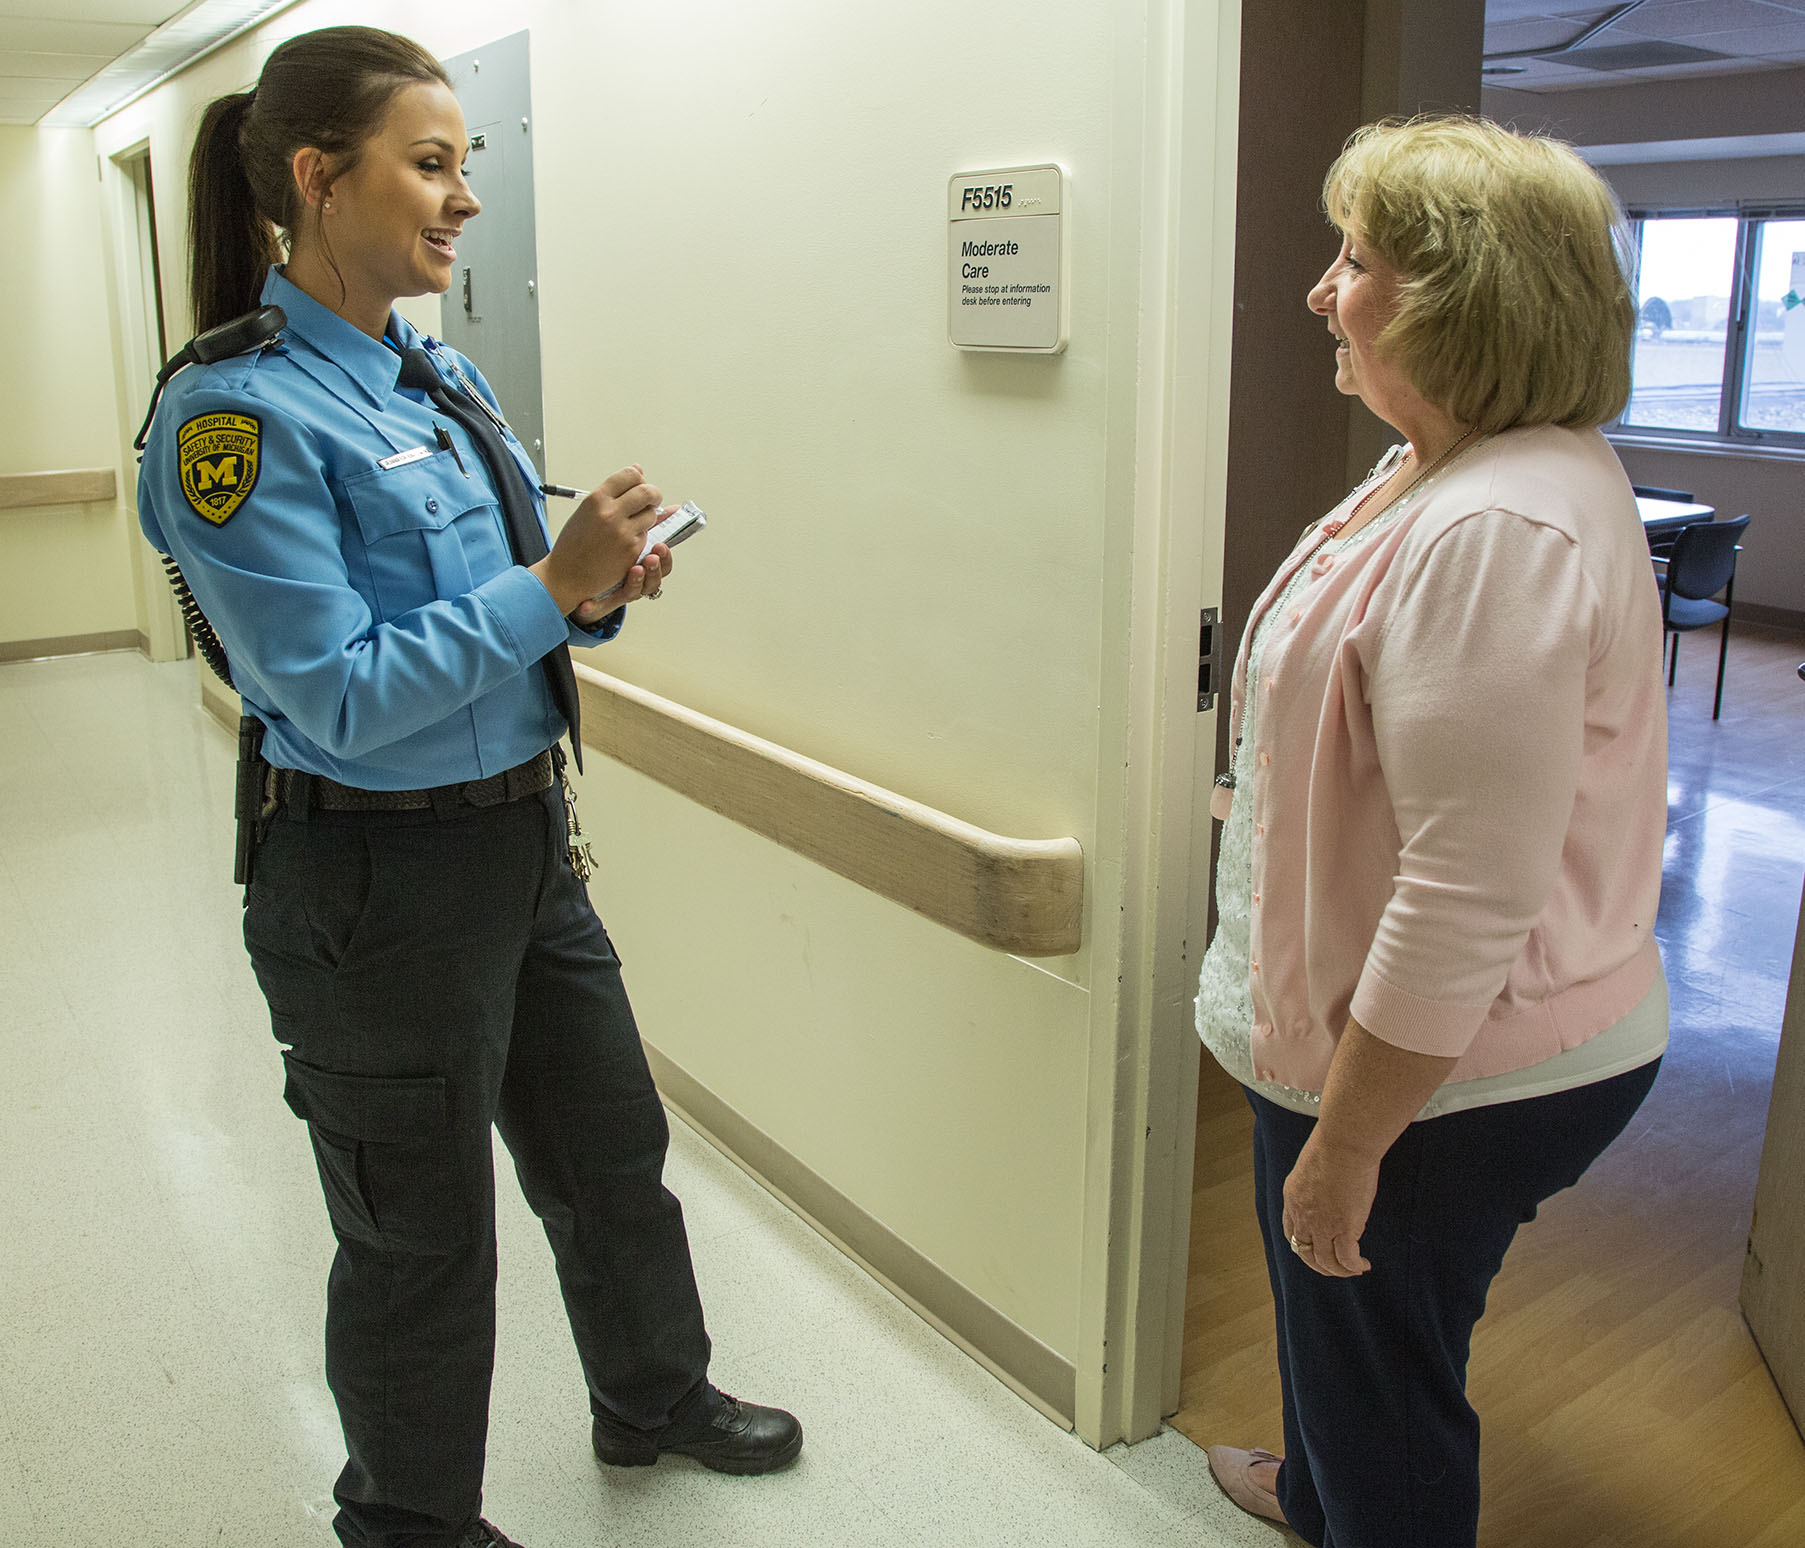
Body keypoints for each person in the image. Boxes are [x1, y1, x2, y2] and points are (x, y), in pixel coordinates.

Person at [137, 27, 799, 1548]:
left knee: (612, 1160)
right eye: (429, 165)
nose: (463, 199)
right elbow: (335, 696)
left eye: (464, 165)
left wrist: (592, 584)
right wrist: (541, 588)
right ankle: (408, 1522)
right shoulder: (236, 418)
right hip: (369, 886)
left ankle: (652, 1394)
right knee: (418, 1243)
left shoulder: (434, 369)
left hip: (517, 845)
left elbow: (511, 597)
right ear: (316, 179)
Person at [1195, 116, 1667, 1548]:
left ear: (1463, 298)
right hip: (1392, 1041)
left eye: (1353, 262)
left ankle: (1357, 1501)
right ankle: (1317, 1488)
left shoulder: (1494, 530)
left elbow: (1464, 891)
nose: (1317, 292)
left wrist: (1346, 1147)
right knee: (1344, 1344)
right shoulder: (1439, 470)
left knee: (1381, 1375)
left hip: (1436, 1076)